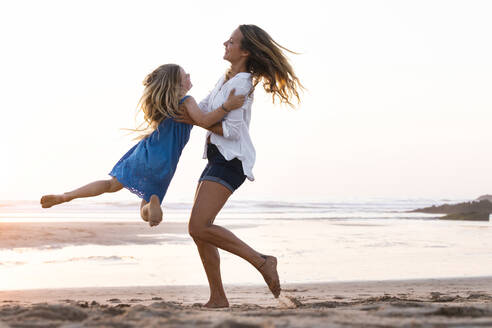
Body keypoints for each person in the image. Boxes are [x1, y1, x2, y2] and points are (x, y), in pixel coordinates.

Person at [182, 24, 303, 308]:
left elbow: (232, 130)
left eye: (232, 41)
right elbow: (199, 111)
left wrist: (204, 119)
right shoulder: (226, 79)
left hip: (230, 160)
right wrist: (187, 110)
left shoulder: (241, 83)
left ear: (245, 51)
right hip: (216, 157)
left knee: (199, 226)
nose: (225, 43)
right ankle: (218, 297)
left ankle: (263, 262)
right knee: (200, 229)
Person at [40, 64, 245, 227]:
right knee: (146, 207)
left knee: (111, 185)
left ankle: (67, 196)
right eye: (185, 75)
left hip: (144, 153)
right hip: (165, 162)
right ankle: (153, 202)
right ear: (178, 84)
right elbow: (205, 120)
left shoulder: (163, 103)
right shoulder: (186, 101)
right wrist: (229, 105)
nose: (189, 75)